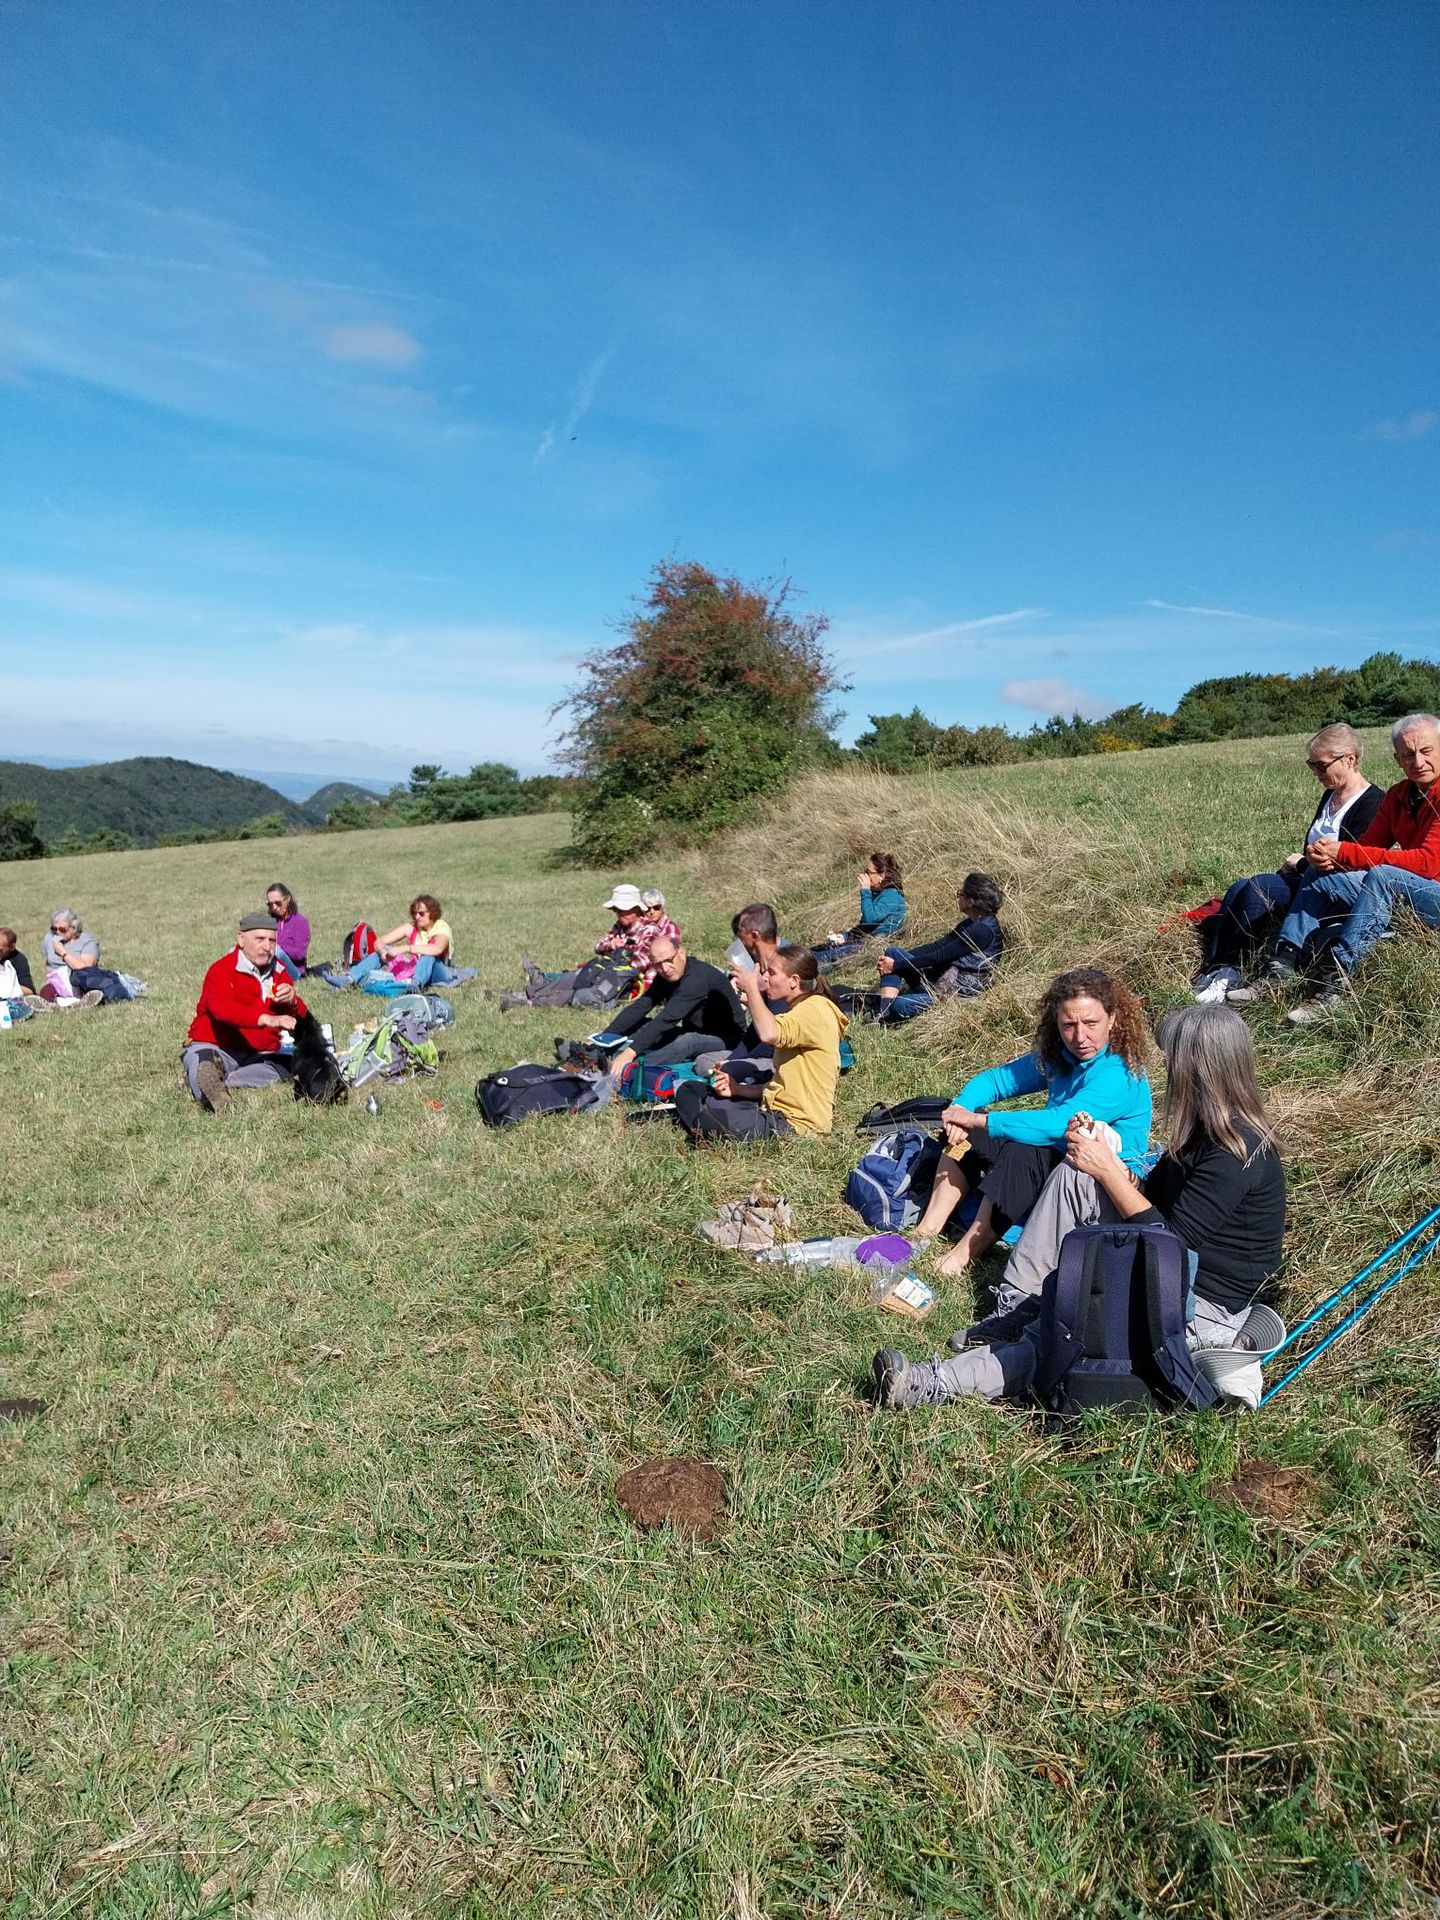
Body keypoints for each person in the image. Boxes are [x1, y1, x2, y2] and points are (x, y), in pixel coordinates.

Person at [873, 1004, 1286, 1408]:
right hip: (1165, 1266)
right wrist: (1107, 1164)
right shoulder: (1202, 1134)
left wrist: (1107, 1171)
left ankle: (929, 1382)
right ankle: (1019, 1302)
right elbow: (1153, 1200)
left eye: (1173, 1061)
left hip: (1196, 1300)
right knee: (1076, 1174)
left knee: (1065, 1331)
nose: (1167, 1072)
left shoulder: (1236, 1152)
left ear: (1199, 1071)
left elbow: (1172, 1244)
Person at [911, 966, 1153, 1275]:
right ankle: (925, 1232)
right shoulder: (1061, 1057)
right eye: (1069, 1025)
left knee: (1023, 1148)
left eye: (1091, 1023)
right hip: (1059, 1158)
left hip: (1101, 1185)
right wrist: (961, 1110)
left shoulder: (1121, 1074)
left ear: (1112, 1019)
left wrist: (979, 1120)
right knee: (967, 1136)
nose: (1080, 1036)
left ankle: (966, 1253)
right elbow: (997, 1080)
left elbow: (1057, 1124)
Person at [1263, 713, 1440, 1023]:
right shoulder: (1399, 795)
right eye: (1408, 754)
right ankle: (1282, 963)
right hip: (1415, 891)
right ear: (1397, 759)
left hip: (1432, 891)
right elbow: (1367, 848)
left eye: (1426, 751)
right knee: (1319, 873)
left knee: (1384, 877)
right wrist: (1328, 858)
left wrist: (1345, 852)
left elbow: (1429, 863)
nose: (1418, 761)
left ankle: (1339, 982)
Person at [1195, 725, 1382, 999]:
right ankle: (1215, 968)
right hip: (1304, 877)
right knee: (1239, 887)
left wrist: (1301, 864)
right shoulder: (1330, 795)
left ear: (1350, 759)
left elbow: (1351, 863)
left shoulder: (1372, 802)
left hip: (1326, 889)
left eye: (1321, 765)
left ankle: (1234, 970)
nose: (1316, 772)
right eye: (1311, 765)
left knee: (1259, 887)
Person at [673, 947, 849, 1142]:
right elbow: (781, 1085)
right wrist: (738, 1090)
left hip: (795, 1125)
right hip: (772, 1109)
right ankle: (704, 1125)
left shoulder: (814, 1010)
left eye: (771, 973)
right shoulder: (800, 1009)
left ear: (794, 981)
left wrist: (752, 990)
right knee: (690, 1089)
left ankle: (702, 1128)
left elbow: (768, 1034)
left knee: (709, 1121)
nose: (765, 978)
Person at [182, 911, 309, 1111]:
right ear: (241, 939)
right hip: (218, 1047)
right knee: (202, 1059)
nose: (267, 947)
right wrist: (265, 1019)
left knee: (293, 1064)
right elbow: (223, 1011)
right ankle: (211, 1092)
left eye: (272, 940)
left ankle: (223, 1080)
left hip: (259, 1053)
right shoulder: (221, 969)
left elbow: (301, 1018)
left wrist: (293, 1002)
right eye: (260, 939)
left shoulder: (280, 971)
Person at [872, 872, 1005, 1023]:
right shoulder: (971, 924)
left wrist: (896, 966)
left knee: (899, 1005)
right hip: (942, 981)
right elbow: (936, 947)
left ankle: (887, 1013)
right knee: (892, 953)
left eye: (961, 894)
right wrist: (898, 964)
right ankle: (884, 1013)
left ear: (970, 902)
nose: (958, 897)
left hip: (953, 994)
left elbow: (938, 956)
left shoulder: (981, 931)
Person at [605, 935, 745, 1073]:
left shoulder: (698, 978)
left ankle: (632, 1071)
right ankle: (603, 1052)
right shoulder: (666, 976)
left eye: (669, 960)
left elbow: (667, 1018)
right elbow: (640, 1006)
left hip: (727, 1040)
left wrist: (629, 1054)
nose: (665, 968)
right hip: (693, 1032)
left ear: (681, 953)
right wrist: (604, 1036)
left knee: (687, 1041)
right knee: (642, 1024)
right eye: (658, 964)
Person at [503, 884, 650, 1009]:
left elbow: (642, 962)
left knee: (576, 993)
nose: (618, 914)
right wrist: (610, 945)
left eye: (622, 910)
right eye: (616, 910)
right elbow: (598, 946)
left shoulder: (648, 930)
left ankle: (528, 1003)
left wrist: (623, 952)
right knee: (572, 979)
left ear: (637, 909)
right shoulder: (619, 926)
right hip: (604, 971)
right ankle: (523, 995)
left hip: (621, 983)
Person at [698, 903, 787, 1081]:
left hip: (780, 1056)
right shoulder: (759, 967)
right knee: (704, 1061)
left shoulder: (781, 972)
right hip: (758, 1047)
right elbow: (754, 1031)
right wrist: (731, 1059)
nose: (738, 936)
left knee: (725, 1070)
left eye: (741, 931)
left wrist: (734, 1063)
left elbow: (773, 1037)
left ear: (754, 936)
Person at [322, 895, 466, 991]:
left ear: (432, 912)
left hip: (440, 972)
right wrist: (383, 951)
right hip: (416, 970)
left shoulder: (441, 927)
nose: (417, 917)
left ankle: (415, 985)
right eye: (415, 913)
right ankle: (349, 979)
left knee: (427, 956)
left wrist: (406, 948)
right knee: (384, 950)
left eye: (421, 913)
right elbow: (379, 942)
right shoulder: (411, 927)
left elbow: (437, 948)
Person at [819, 854, 907, 965]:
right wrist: (845, 936)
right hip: (863, 941)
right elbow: (865, 926)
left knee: (816, 958)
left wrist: (865, 891)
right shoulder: (881, 894)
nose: (865, 875)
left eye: (868, 872)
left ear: (881, 875)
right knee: (815, 951)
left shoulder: (891, 896)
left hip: (871, 945)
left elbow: (870, 919)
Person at [39, 909, 116, 1008]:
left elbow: (86, 968)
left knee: (84, 983)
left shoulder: (87, 941)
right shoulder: (49, 939)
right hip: (57, 983)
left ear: (74, 927)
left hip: (78, 981)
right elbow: (49, 964)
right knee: (45, 992)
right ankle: (65, 1003)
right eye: (54, 929)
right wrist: (47, 981)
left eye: (62, 929)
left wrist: (63, 953)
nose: (57, 932)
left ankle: (68, 1002)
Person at [265, 883, 311, 976]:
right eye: (270, 904)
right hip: (269, 964)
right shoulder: (268, 922)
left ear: (288, 899)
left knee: (277, 952)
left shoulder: (300, 922)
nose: (274, 907)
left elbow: (299, 954)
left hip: (294, 970)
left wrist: (279, 947)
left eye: (278, 903)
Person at [1, 928, 37, 1022]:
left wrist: (8, 986)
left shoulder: (19, 960)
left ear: (12, 947)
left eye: (0, 950)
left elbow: (29, 991)